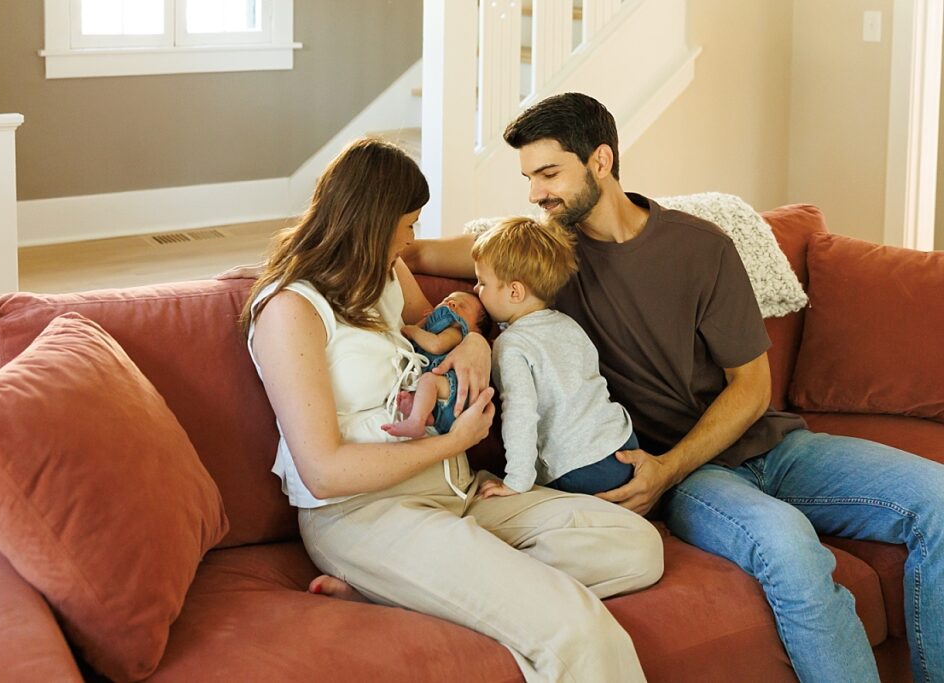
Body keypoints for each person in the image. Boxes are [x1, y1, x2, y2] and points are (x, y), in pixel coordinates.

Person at [401, 93, 944, 683]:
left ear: (601, 161)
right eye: (530, 178)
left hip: (766, 446)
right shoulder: (547, 256)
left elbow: (751, 388)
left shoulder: (700, 246)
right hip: (690, 476)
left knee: (938, 501)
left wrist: (671, 465)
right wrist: (475, 331)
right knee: (788, 550)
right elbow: (415, 252)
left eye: (549, 173)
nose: (536, 193)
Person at [241, 137, 662, 682]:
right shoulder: (290, 309)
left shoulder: (385, 274)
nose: (412, 238)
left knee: (635, 546)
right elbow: (324, 472)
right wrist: (453, 441)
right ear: (375, 219)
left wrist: (477, 344)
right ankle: (446, 581)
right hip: (367, 513)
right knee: (576, 630)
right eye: (409, 222)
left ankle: (417, 590)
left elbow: (448, 328)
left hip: (460, 494)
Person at [469, 217, 639, 499]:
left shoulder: (512, 345)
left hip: (579, 468)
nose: (475, 290)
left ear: (514, 291)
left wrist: (516, 481)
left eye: (481, 282)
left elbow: (520, 413)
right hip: (623, 444)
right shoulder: (568, 325)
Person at [381, 291, 489, 438]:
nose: (451, 303)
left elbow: (436, 345)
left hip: (454, 393)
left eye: (462, 306)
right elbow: (415, 342)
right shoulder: (435, 329)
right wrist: (425, 322)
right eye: (447, 299)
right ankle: (426, 415)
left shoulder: (456, 331)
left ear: (475, 330)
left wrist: (413, 330)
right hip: (441, 401)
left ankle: (415, 421)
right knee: (421, 385)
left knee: (427, 380)